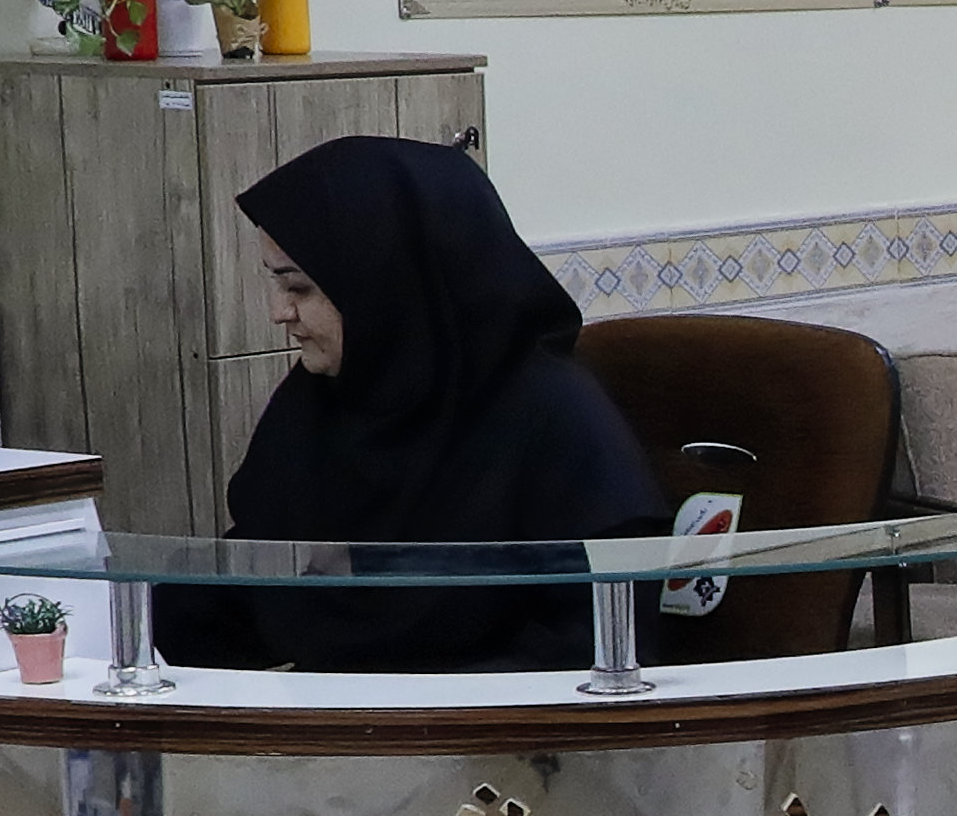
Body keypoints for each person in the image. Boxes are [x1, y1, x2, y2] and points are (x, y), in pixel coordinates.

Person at [153, 135, 666, 670]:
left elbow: (598, 643)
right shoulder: (324, 399)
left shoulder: (556, 418)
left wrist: (409, 704)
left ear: (384, 280)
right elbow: (256, 582)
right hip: (332, 713)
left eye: (298, 287)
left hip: (488, 718)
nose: (279, 312)